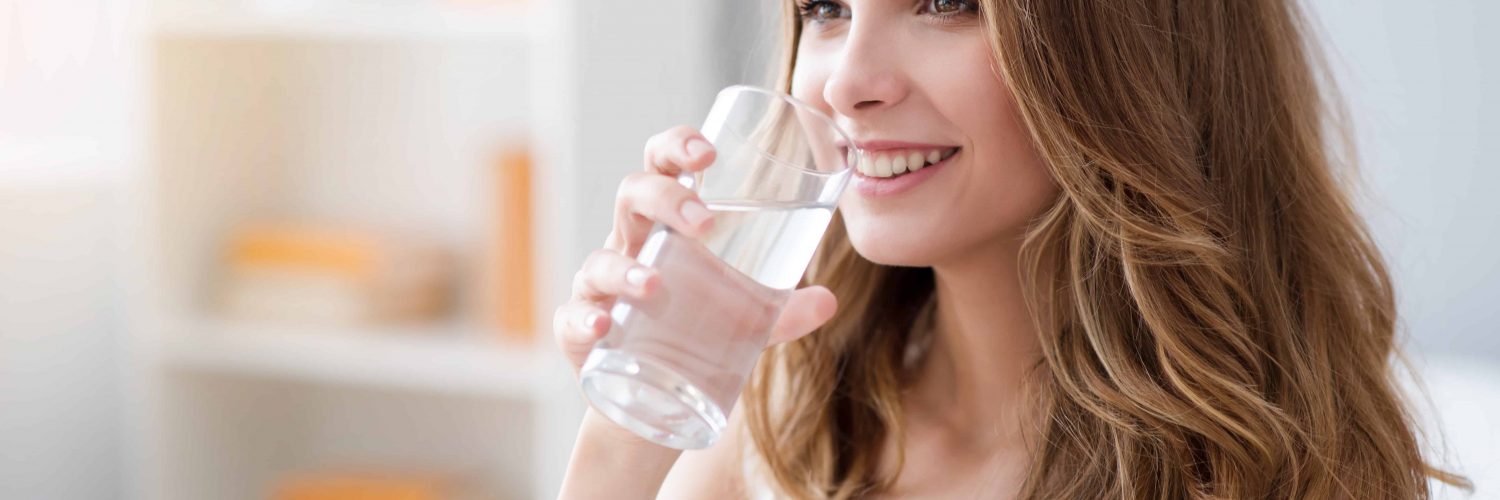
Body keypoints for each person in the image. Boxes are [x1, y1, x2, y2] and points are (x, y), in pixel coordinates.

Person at [552, 0, 1469, 498]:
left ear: (1132, 51)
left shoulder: (1280, 475)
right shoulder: (780, 431)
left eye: (946, 1)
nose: (848, 84)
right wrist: (627, 436)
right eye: (827, 7)